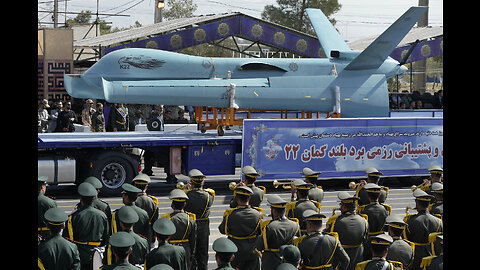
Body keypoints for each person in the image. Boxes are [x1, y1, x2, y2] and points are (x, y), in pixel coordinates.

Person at [63, 182, 109, 270]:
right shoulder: (102, 215)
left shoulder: (73, 217)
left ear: (81, 199)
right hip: (96, 253)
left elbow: (67, 239)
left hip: (79, 254)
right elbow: (106, 237)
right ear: (93, 199)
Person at [219, 185, 263, 270]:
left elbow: (222, 230)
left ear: (237, 199)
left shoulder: (230, 215)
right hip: (252, 251)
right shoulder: (258, 214)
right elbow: (260, 231)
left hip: (236, 251)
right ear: (249, 199)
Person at [324, 191, 368, 270]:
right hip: (358, 259)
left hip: (341, 261)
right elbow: (365, 239)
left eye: (341, 205)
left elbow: (329, 238)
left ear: (345, 207)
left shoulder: (335, 220)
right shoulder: (364, 221)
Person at [255, 194, 301, 270]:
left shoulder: (270, 226)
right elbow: (297, 245)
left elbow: (260, 246)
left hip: (271, 263)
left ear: (274, 211)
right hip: (288, 263)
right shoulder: (295, 225)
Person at [183, 169, 215, 270]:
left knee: (191, 254)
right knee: (203, 255)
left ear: (191, 182)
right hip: (204, 227)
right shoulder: (209, 196)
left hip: (190, 225)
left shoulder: (186, 195)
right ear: (203, 182)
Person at [403, 189, 443, 270]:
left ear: (417, 203)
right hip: (431, 257)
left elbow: (406, 240)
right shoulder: (438, 221)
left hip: (415, 257)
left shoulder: (410, 221)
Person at [162, 188, 197, 268]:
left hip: (170, 248)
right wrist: (192, 252)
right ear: (184, 205)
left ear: (172, 205)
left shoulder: (167, 219)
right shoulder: (190, 219)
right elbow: (193, 239)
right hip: (185, 248)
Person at [357, 183, 391, 260]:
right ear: (379, 196)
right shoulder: (385, 210)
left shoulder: (364, 210)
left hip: (368, 241)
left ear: (368, 196)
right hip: (382, 239)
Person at [132, 173, 159, 244]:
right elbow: (155, 220)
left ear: (135, 186)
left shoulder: (133, 200)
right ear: (146, 187)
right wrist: (154, 235)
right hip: (148, 231)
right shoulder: (153, 201)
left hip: (134, 230)